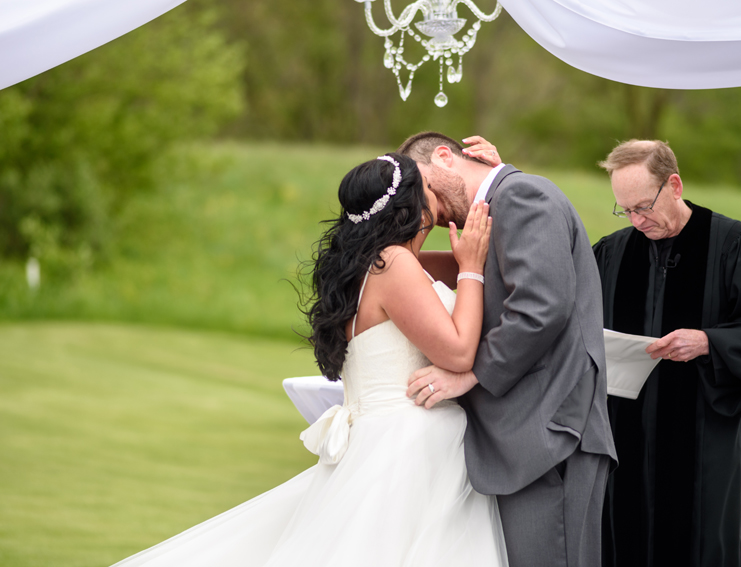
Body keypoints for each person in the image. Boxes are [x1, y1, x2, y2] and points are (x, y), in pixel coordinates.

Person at [109, 153, 510, 566]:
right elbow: (460, 350)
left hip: (385, 437)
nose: (439, 190)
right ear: (412, 204)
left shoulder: (370, 264)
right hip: (408, 445)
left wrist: (491, 190)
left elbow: (470, 266)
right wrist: (472, 267)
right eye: (429, 185)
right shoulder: (393, 263)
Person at [399, 132, 617, 567]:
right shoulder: (493, 212)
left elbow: (542, 306)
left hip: (551, 434)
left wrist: (469, 374)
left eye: (422, 185)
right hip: (526, 436)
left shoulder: (522, 195)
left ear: (445, 157)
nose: (425, 206)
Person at [593, 140, 741, 567]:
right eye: (625, 210)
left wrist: (710, 342)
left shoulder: (733, 244)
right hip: (624, 434)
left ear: (674, 184)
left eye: (643, 206)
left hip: (703, 435)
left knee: (700, 542)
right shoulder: (612, 253)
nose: (636, 220)